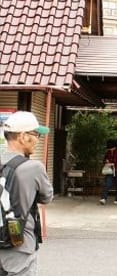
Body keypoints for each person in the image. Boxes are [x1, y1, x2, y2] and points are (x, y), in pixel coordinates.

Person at [0, 111, 53, 275]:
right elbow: (47, 197)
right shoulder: (33, 168)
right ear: (23, 136)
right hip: (19, 245)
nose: (38, 139)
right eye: (36, 134)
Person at [100, 140, 117, 205]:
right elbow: (104, 160)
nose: (110, 149)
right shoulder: (108, 152)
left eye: (111, 148)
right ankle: (103, 198)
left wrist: (113, 164)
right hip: (109, 171)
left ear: (114, 147)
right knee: (107, 184)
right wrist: (106, 161)